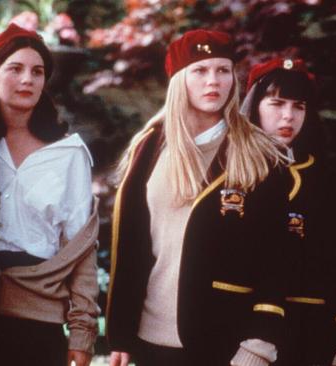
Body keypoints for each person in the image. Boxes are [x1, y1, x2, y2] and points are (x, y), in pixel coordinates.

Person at [106, 29, 292, 366]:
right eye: (201, 71)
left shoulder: (261, 155)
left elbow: (278, 262)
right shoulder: (148, 147)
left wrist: (259, 345)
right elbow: (131, 245)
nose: (214, 81)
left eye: (223, 70)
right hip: (150, 342)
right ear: (180, 80)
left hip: (227, 344)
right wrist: (120, 334)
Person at [0, 23, 100, 366]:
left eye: (37, 71)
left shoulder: (68, 154)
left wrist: (82, 333)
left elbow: (81, 249)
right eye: (15, 69)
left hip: (39, 318)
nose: (27, 80)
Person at [241, 58, 336, 366]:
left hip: (315, 337)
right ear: (254, 104)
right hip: (244, 336)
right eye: (277, 103)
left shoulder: (326, 181)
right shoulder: (231, 176)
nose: (288, 116)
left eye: (299, 106)